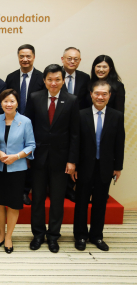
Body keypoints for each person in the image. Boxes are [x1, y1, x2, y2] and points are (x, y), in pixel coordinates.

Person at [25, 64, 80, 253]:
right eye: (50, 79)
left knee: (57, 200)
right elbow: (27, 127)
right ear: (44, 81)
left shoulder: (72, 100)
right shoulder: (35, 98)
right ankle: (38, 235)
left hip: (61, 159)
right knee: (38, 198)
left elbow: (75, 133)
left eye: (57, 79)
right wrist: (27, 154)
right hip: (38, 157)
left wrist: (72, 160)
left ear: (63, 80)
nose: (53, 83)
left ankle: (53, 236)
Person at [74, 80, 125, 252]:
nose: (100, 97)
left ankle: (96, 235)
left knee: (100, 203)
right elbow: (75, 142)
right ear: (91, 94)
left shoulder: (117, 116)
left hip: (105, 167)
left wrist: (118, 167)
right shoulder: (81, 115)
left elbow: (119, 143)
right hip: (83, 167)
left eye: (104, 94)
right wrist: (73, 164)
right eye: (97, 93)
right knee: (81, 202)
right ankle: (80, 235)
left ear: (109, 96)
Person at [0, 89, 35, 254]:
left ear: (17, 103)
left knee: (13, 203)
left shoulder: (25, 121)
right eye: (5, 101)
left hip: (17, 168)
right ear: (1, 103)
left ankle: (9, 236)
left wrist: (16, 156)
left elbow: (31, 145)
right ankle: (1, 234)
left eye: (12, 101)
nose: (8, 104)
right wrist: (0, 153)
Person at [5, 44, 45, 206]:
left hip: (35, 125)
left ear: (34, 57)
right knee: (14, 157)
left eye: (28, 56)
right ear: (18, 57)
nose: (25, 59)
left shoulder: (42, 78)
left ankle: (25, 191)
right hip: (13, 125)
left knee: (29, 159)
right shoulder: (11, 77)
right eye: (22, 56)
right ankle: (13, 190)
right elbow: (7, 101)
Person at [61, 47, 91, 202]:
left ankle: (69, 189)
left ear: (79, 61)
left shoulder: (85, 78)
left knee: (73, 156)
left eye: (76, 59)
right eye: (69, 58)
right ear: (62, 59)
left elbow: (86, 102)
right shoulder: (55, 75)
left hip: (77, 124)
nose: (72, 61)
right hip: (57, 123)